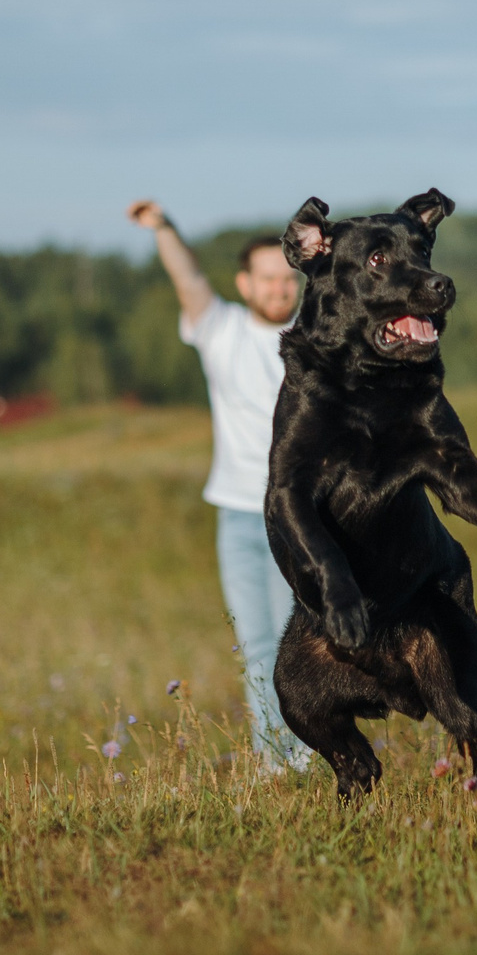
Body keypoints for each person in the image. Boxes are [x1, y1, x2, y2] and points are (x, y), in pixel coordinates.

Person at [127, 198, 310, 772]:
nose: (279, 288)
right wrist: (164, 228)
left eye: (288, 278)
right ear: (244, 283)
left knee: (302, 646)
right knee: (257, 647)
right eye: (268, 278)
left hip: (301, 517)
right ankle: (275, 767)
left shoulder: (316, 337)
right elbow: (187, 279)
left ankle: (313, 759)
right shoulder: (221, 329)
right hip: (237, 516)